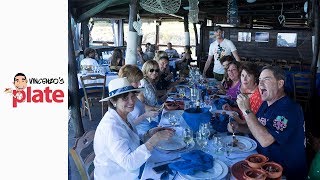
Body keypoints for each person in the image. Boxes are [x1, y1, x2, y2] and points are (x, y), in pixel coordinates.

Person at [229, 65, 307, 179]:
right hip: (263, 165)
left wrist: (247, 110)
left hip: (284, 173)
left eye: (266, 79)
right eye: (260, 80)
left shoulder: (289, 109)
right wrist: (238, 127)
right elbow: (259, 128)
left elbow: (265, 139)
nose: (260, 84)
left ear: (280, 84)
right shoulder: (266, 103)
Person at [94, 77, 175, 179]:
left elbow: (132, 140)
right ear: (113, 101)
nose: (131, 101)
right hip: (117, 175)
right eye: (125, 98)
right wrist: (155, 139)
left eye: (132, 96)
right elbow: (129, 164)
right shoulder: (111, 127)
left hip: (127, 170)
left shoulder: (124, 115)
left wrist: (150, 134)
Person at [118, 64, 159, 135]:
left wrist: (156, 109)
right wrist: (145, 115)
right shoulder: (122, 102)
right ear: (127, 81)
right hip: (138, 134)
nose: (139, 84)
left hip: (147, 128)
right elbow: (126, 126)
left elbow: (143, 107)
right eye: (136, 81)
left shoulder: (132, 94)